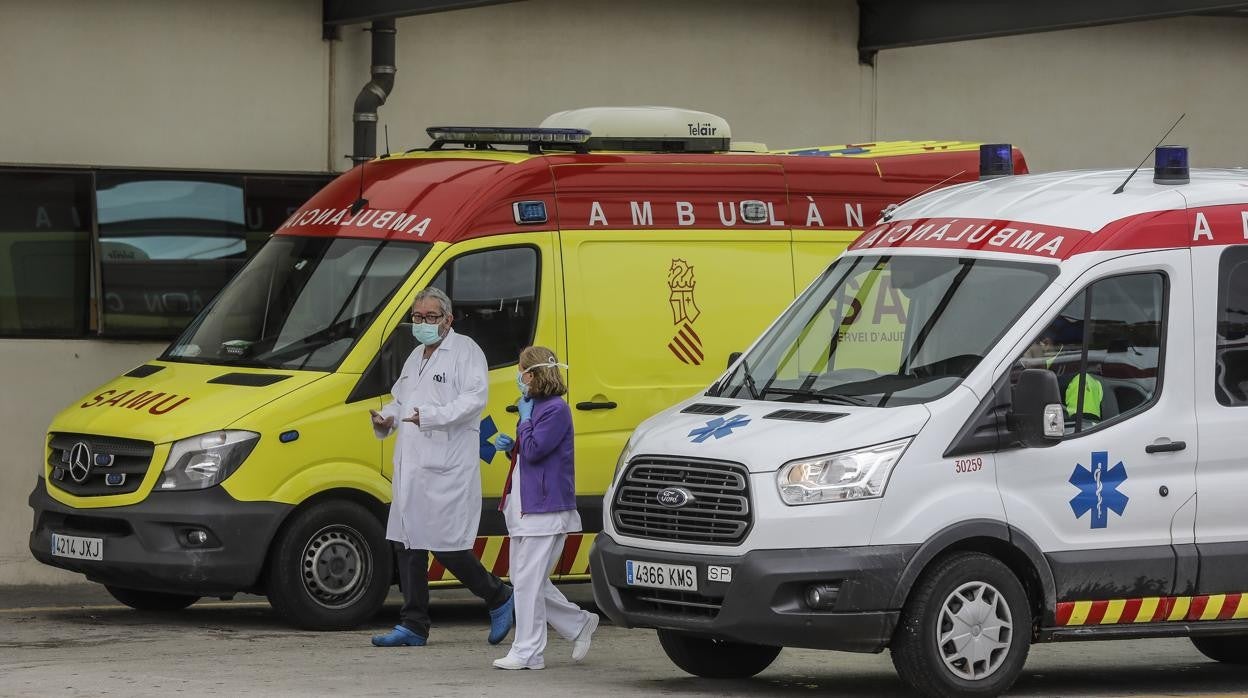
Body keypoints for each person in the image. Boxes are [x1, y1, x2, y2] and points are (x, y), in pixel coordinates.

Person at [368, 287, 515, 648]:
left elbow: (473, 401)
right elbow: (401, 399)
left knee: (447, 546)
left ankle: (499, 596)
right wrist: (386, 418)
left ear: (448, 320)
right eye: (417, 318)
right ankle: (414, 624)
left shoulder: (465, 352)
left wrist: (429, 416)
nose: (422, 324)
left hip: (446, 465)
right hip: (412, 465)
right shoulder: (416, 355)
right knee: (407, 544)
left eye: (430, 317)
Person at [489, 346, 599, 670]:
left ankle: (528, 651)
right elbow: (530, 454)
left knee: (527, 582)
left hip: (546, 511)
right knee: (529, 580)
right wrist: (513, 449)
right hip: (526, 508)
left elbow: (537, 450)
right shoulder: (536, 406)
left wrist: (523, 426)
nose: (518, 377)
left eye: (522, 371)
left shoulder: (556, 409)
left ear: (534, 374)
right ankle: (579, 625)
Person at [1023, 319, 1104, 423]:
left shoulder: (1079, 379)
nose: (1022, 354)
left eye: (1025, 346)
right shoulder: (1038, 371)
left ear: (1046, 344)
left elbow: (1086, 428)